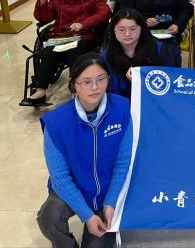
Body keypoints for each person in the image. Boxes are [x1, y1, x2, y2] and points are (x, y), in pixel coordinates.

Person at [37, 54, 131, 248]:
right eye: (87, 82)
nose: (95, 87)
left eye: (101, 79)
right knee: (48, 218)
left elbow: (123, 163)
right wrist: (86, 215)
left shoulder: (124, 109)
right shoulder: (56, 123)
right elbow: (60, 177)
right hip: (75, 187)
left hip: (108, 192)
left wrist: (111, 202)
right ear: (74, 84)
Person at [21, 0, 111, 106]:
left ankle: (76, 89)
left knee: (75, 52)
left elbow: (105, 12)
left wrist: (83, 24)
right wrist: (43, 1)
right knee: (47, 53)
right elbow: (44, 17)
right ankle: (41, 90)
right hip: (60, 36)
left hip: (83, 36)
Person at [123, 0, 194, 67]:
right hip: (142, 33)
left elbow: (187, 9)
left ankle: (170, 76)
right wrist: (143, 22)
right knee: (143, 57)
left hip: (169, 33)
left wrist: (178, 25)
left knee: (170, 56)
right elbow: (126, 13)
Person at [101, 9, 177, 97]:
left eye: (132, 29)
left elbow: (171, 80)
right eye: (121, 30)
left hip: (153, 100)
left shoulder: (158, 49)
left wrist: (141, 82)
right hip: (118, 102)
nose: (127, 34)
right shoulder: (105, 57)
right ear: (113, 31)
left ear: (141, 29)